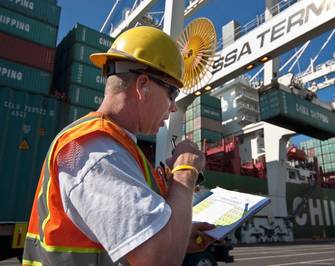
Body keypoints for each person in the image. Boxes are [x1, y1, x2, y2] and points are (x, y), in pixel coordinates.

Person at [22, 26, 215, 266]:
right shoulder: (95, 152)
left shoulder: (115, 147)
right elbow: (158, 259)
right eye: (172, 93)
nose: (173, 106)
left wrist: (180, 234)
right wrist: (186, 173)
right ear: (143, 85)